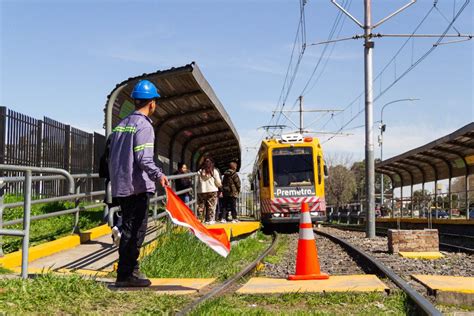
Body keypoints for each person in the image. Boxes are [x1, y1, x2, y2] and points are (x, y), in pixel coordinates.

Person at [108, 79, 169, 287]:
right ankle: (127, 275)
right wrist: (158, 174)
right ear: (152, 103)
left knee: (127, 229)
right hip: (138, 186)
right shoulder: (144, 126)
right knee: (135, 232)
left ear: (135, 101)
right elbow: (143, 158)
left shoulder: (121, 125)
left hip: (122, 185)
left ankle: (127, 272)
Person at [196, 157, 221, 224]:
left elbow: (196, 182)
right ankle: (211, 220)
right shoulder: (214, 171)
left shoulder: (200, 172)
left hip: (201, 190)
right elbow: (218, 182)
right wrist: (219, 185)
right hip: (212, 190)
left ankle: (200, 220)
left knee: (201, 206)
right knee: (212, 206)